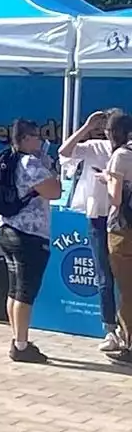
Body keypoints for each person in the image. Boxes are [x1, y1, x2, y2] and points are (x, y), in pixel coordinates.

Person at [0, 119, 61, 364]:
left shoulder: (9, 161)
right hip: (28, 234)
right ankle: (21, 345)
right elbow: (55, 191)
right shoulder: (30, 162)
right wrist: (50, 167)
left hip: (7, 228)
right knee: (25, 291)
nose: (40, 140)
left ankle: (18, 338)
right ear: (23, 139)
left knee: (14, 288)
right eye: (35, 136)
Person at [60, 109, 123, 352]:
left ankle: (124, 329)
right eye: (107, 128)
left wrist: (109, 178)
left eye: (113, 128)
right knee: (104, 276)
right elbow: (64, 152)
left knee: (123, 276)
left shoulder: (127, 152)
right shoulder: (95, 146)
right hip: (98, 216)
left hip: (123, 218)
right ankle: (110, 330)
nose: (110, 133)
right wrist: (86, 127)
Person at [101, 112, 132, 364]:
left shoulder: (120, 156)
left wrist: (107, 179)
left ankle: (129, 344)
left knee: (127, 289)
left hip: (123, 229)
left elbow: (116, 198)